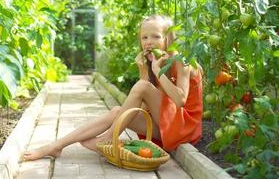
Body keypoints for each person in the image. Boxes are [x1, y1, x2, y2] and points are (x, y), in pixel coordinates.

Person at [23, 15, 203, 161]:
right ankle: (56, 145)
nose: (149, 42)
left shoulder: (181, 60)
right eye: (144, 37)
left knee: (140, 88)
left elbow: (180, 100)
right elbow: (143, 109)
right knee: (118, 111)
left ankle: (109, 138)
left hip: (185, 128)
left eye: (156, 36)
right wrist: (144, 70)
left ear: (168, 38)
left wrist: (157, 72)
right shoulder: (154, 61)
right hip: (167, 124)